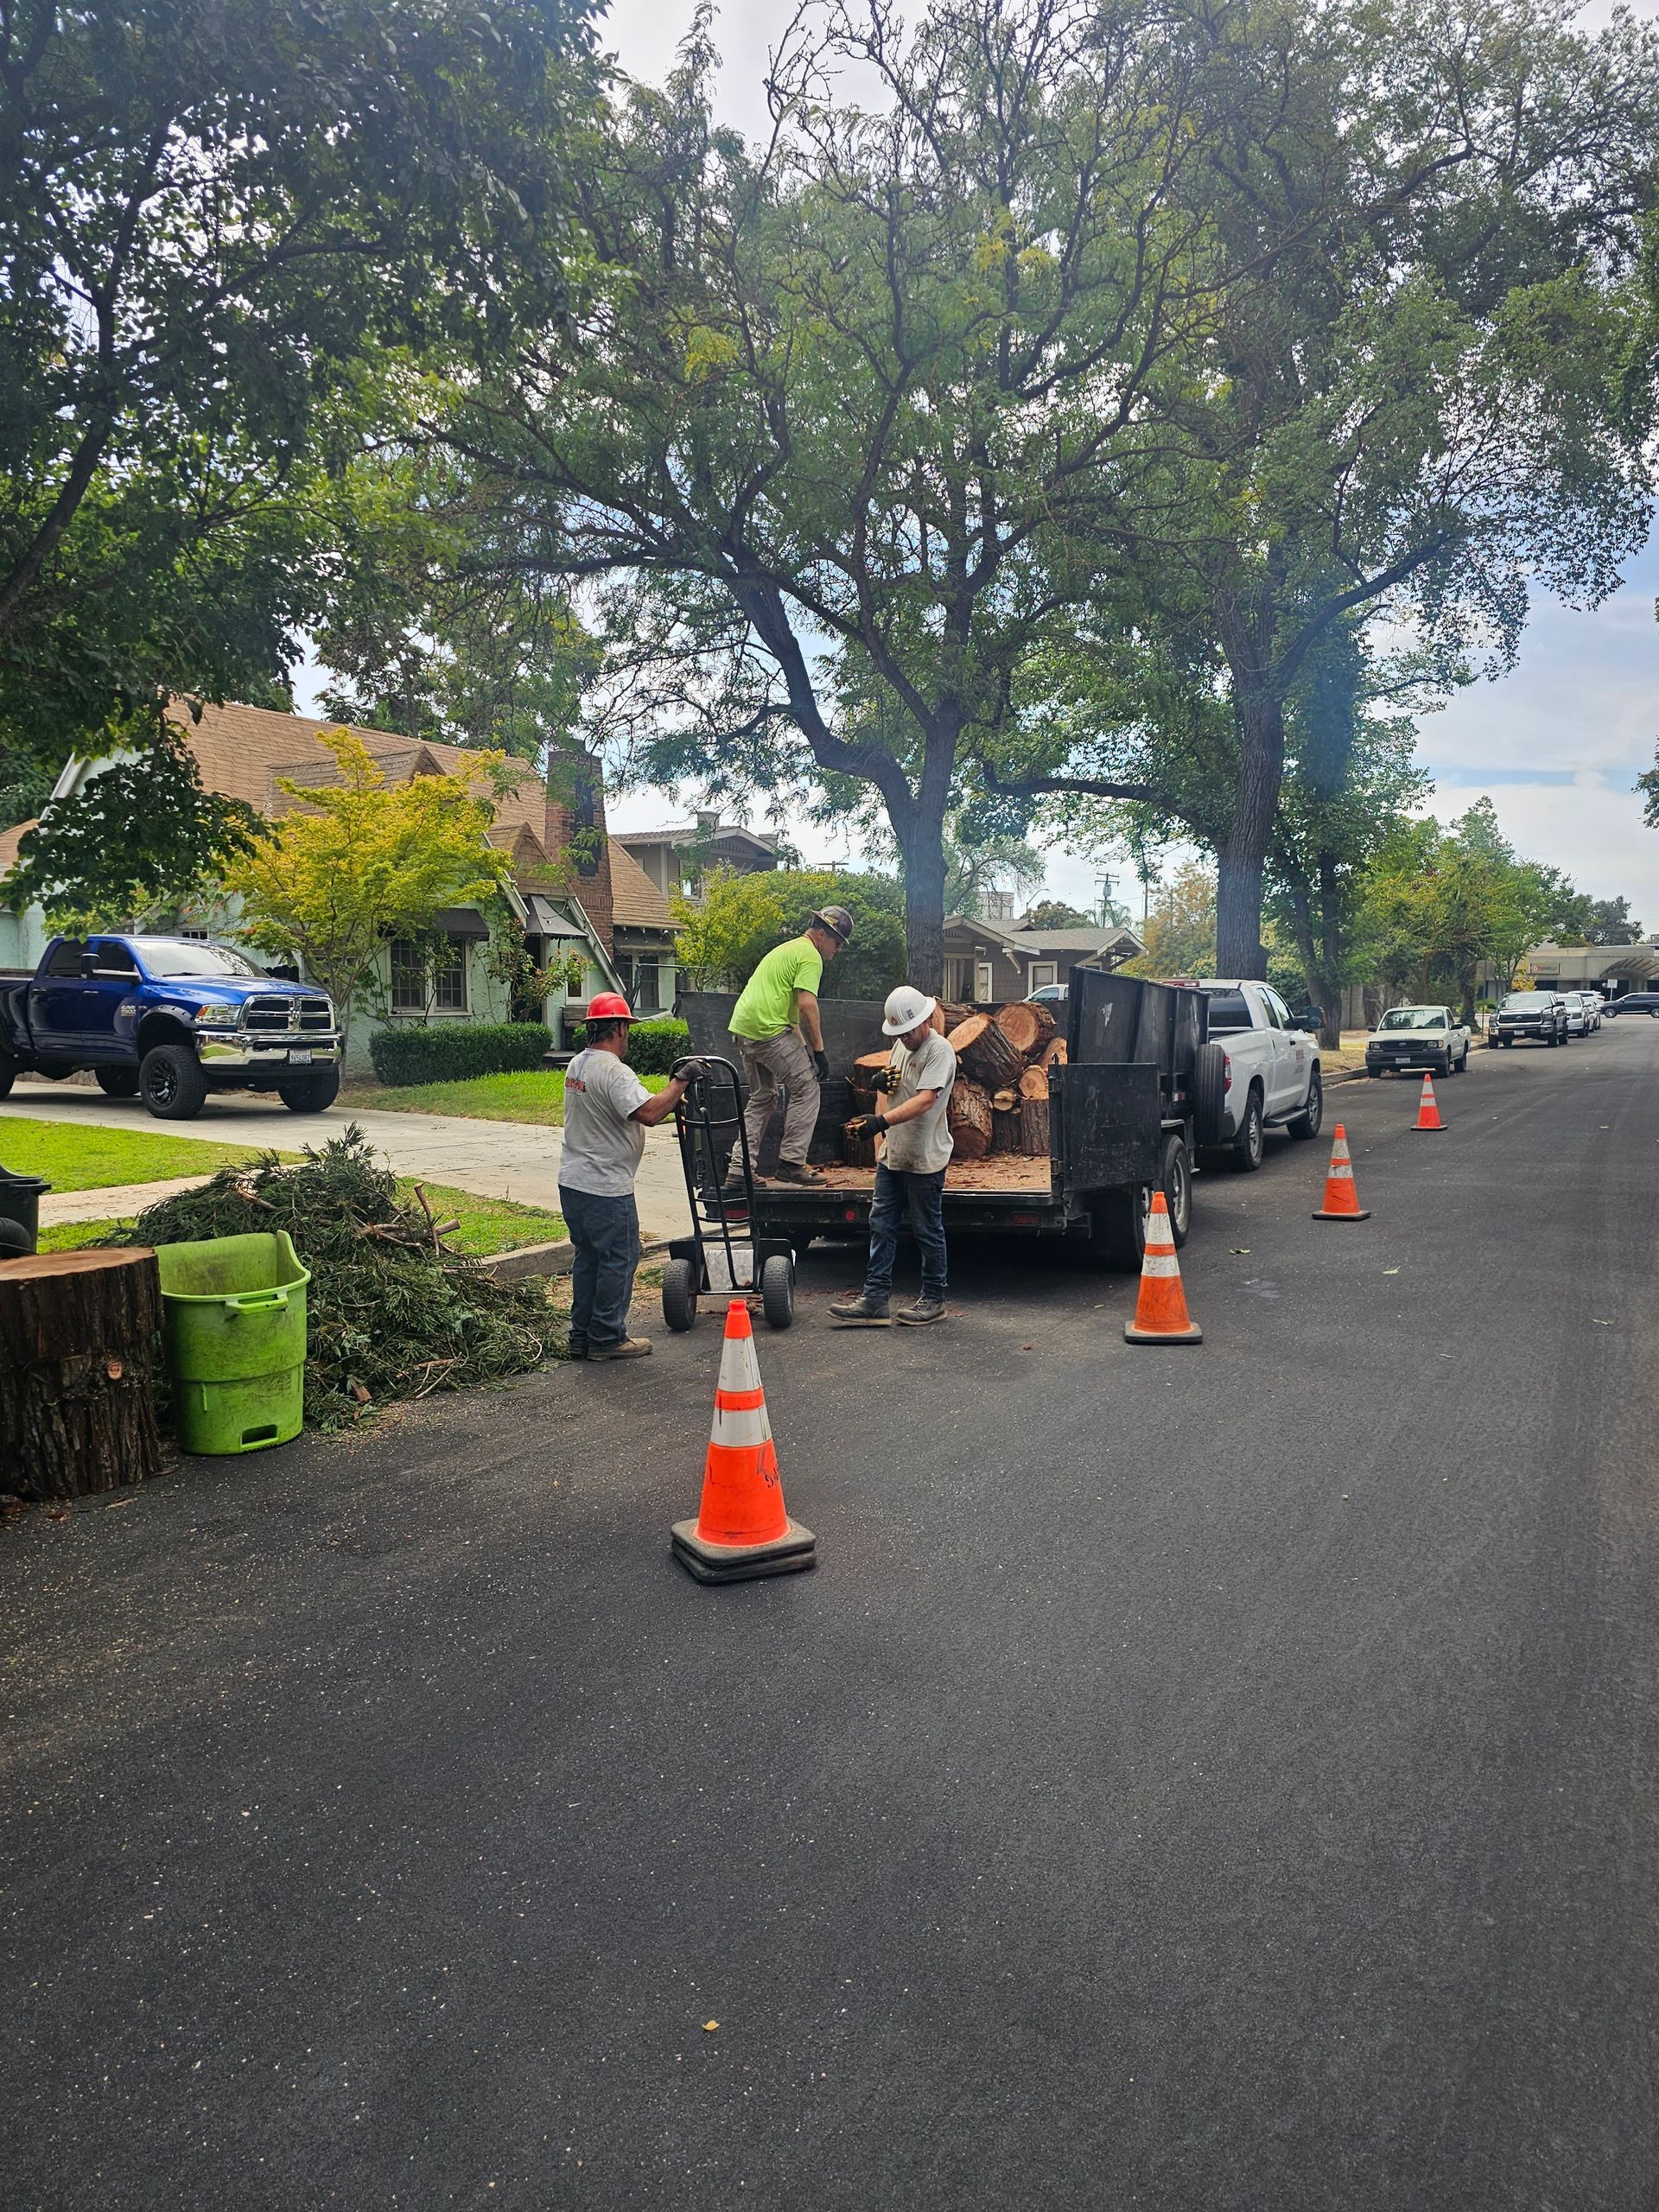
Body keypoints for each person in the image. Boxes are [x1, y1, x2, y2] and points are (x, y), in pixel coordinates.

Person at [559, 992, 705, 1363]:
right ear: (621, 1028)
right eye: (628, 1029)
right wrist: (680, 1082)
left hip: (574, 1181)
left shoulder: (578, 1065)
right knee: (620, 1257)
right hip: (606, 1186)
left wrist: (672, 1103)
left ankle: (582, 1336)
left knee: (589, 1258)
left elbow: (614, 1113)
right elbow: (650, 1113)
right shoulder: (613, 1070)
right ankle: (607, 1337)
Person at [829, 985, 956, 1328]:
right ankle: (874, 1299)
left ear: (926, 1020)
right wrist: (880, 1082)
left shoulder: (939, 1051)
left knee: (927, 1229)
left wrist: (879, 1121)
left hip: (925, 1156)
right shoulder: (902, 1044)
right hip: (894, 1153)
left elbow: (926, 1099)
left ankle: (934, 1298)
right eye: (899, 1032)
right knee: (881, 1225)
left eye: (910, 1031)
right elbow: (898, 1087)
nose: (906, 1038)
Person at [726, 905, 854, 1185]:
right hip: (768, 1029)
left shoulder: (788, 950)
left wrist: (805, 1050)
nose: (839, 949)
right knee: (807, 1090)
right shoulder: (810, 955)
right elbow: (807, 1004)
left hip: (745, 1028)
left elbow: (792, 1014)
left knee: (763, 1097)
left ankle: (739, 1170)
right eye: (837, 942)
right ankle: (792, 1163)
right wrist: (819, 1053)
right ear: (821, 934)